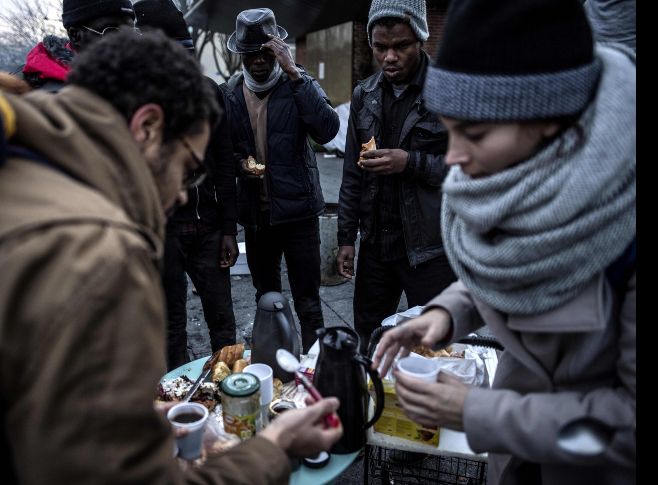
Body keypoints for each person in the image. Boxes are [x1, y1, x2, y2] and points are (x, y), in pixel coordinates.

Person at [0, 30, 341, 484]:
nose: (180, 194)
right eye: (189, 169)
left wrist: (132, 419)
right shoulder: (99, 254)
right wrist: (274, 450)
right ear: (148, 128)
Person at [372, 0, 636, 483]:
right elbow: (515, 262)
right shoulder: (519, 176)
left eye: (474, 133)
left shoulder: (624, 220)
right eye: (449, 129)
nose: (453, 158)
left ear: (551, 120)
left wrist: (479, 412)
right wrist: (445, 312)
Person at [337, 0, 456, 353]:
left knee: (437, 345)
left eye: (401, 46)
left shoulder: (447, 91)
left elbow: (467, 171)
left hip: (430, 250)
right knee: (369, 341)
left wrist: (411, 162)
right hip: (377, 247)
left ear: (420, 40)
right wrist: (346, 237)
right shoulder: (365, 94)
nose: (389, 57)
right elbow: (351, 173)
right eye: (380, 47)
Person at [221, 8, 339, 352]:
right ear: (241, 55)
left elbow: (327, 129)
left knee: (307, 301)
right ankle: (275, 369)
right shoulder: (230, 93)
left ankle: (316, 374)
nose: (258, 60)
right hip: (258, 218)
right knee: (267, 299)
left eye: (266, 51)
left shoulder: (298, 82)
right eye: (250, 54)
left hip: (299, 214)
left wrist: (293, 71)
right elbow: (224, 150)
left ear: (278, 49)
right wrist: (240, 162)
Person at [134, 0, 239, 371]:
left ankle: (230, 393)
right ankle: (176, 408)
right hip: (166, 233)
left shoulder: (210, 93)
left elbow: (226, 164)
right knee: (170, 326)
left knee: (223, 323)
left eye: (185, 54)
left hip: (210, 229)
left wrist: (229, 228)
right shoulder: (137, 104)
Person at [22, 0, 136, 91]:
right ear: (75, 35)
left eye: (130, 31)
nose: (126, 41)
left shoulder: (137, 83)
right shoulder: (30, 93)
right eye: (111, 31)